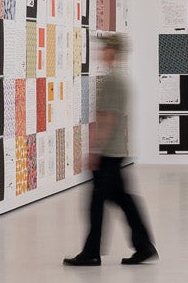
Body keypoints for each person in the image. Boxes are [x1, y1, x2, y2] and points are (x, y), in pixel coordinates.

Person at [65, 32, 158, 266]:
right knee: (122, 199)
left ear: (112, 51)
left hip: (108, 152)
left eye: (104, 48)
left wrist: (95, 150)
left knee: (98, 202)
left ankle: (92, 253)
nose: (101, 52)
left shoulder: (112, 81)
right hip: (116, 150)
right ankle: (144, 246)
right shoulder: (121, 79)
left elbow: (107, 118)